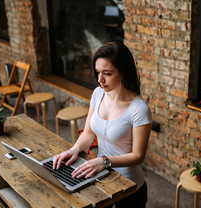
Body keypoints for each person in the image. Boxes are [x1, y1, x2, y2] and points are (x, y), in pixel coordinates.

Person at [53, 41, 152, 208]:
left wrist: (104, 161)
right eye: (98, 72)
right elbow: (88, 132)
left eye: (107, 73)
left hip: (129, 186)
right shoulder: (98, 94)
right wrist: (74, 149)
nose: (100, 79)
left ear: (123, 72)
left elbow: (138, 156)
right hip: (101, 175)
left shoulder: (139, 109)